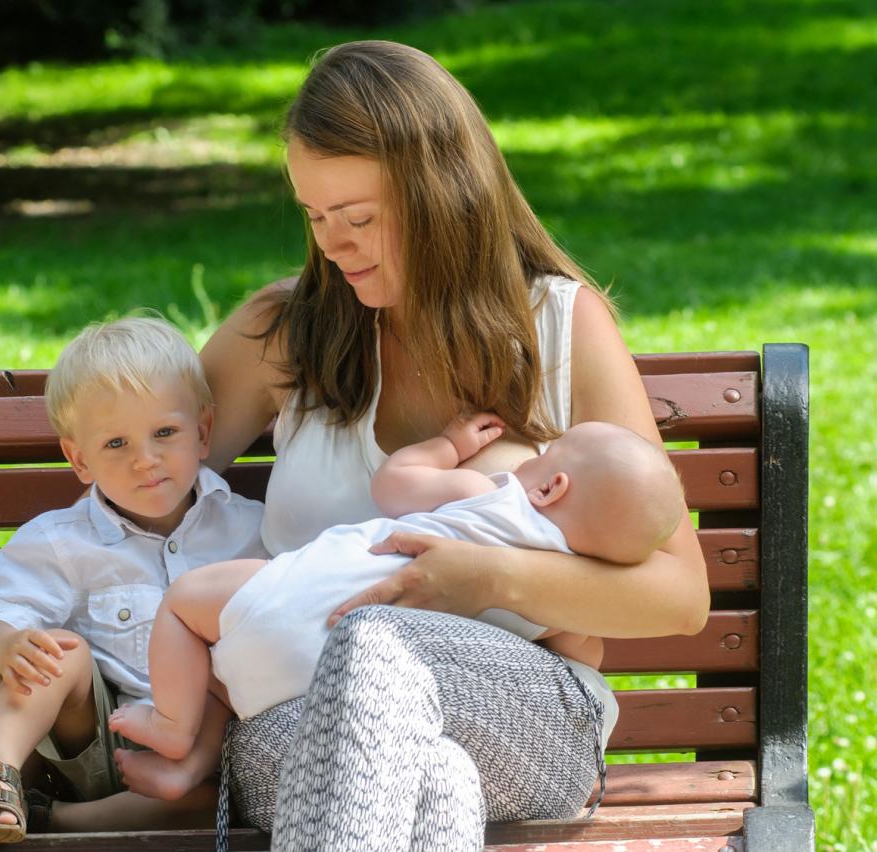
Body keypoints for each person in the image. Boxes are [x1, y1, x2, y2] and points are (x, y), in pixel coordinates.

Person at [196, 40, 710, 850]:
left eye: (360, 218)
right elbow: (140, 488)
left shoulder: (559, 328)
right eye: (315, 217)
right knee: (434, 781)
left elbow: (680, 596)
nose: (334, 245)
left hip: (525, 710)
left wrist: (487, 577)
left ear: (442, 195)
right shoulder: (286, 333)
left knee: (374, 642)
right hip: (288, 716)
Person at [107, 416, 682, 759]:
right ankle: (187, 754)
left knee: (184, 604)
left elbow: (394, 485)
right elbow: (583, 655)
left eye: (546, 454)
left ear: (552, 486)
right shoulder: (558, 602)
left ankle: (174, 727)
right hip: (320, 697)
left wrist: (450, 445)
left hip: (289, 611)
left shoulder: (494, 496)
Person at [0, 316, 267, 843]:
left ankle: (50, 822)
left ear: (203, 431)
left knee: (222, 782)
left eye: (165, 432)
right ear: (79, 459)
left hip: (206, 765)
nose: (146, 459)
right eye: (116, 443)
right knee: (54, 651)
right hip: (99, 747)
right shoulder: (58, 542)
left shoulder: (253, 530)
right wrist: (9, 646)